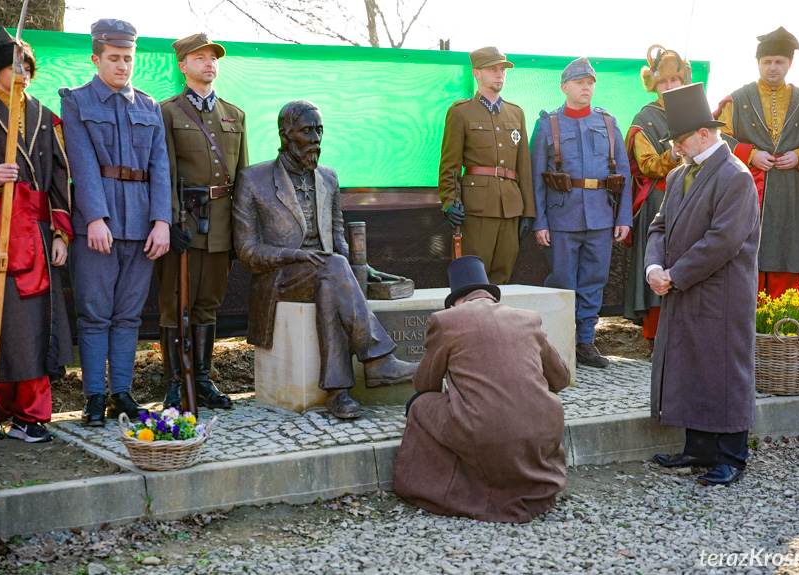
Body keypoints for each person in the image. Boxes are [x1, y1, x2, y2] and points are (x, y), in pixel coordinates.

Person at [232, 100, 417, 419]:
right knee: (331, 269)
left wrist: (361, 271)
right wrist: (295, 254)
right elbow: (247, 252)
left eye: (320, 130)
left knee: (332, 276)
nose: (316, 138)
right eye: (307, 131)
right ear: (285, 135)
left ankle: (339, 393)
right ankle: (376, 362)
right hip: (280, 276)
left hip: (326, 274)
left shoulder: (328, 178)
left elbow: (337, 237)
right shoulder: (254, 179)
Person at [392, 255, 570, 523]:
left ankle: (451, 483)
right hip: (543, 427)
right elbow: (561, 379)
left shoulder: (446, 320)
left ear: (454, 302)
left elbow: (424, 385)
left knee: (419, 405)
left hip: (484, 430)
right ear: (491, 296)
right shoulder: (528, 318)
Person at [646, 83, 760, 486]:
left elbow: (723, 241)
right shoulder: (680, 176)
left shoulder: (735, 177)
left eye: (679, 140)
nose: (676, 148)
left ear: (704, 134)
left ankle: (731, 457)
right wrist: (654, 268)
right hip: (685, 288)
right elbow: (659, 226)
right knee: (692, 364)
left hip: (721, 294)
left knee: (725, 371)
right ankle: (698, 449)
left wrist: (674, 275)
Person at [61, 19, 171, 427]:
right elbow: (83, 165)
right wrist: (95, 218)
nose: (123, 66)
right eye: (114, 58)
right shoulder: (75, 102)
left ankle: (122, 393)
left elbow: (160, 165)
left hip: (142, 226)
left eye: (128, 58)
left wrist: (161, 220)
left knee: (128, 315)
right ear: (96, 58)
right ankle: (93, 397)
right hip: (99, 227)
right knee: (93, 314)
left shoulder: (149, 105)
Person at [0, 28, 74, 442]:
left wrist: (61, 233)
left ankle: (30, 416)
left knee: (36, 323)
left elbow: (61, 178)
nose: (22, 71)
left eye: (27, 64)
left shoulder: (43, 115)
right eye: (14, 63)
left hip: (37, 236)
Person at [156, 33, 247, 411]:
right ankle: (177, 383)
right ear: (183, 65)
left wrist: (243, 230)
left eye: (213, 58)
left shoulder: (234, 114)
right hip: (185, 222)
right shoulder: (167, 112)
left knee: (208, 303)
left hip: (222, 225)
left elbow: (242, 178)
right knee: (175, 303)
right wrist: (168, 220)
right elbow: (162, 171)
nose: (209, 63)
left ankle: (204, 381)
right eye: (199, 57)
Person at [530, 57, 632, 368]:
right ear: (564, 87)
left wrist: (623, 218)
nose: (585, 87)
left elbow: (624, 175)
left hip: (601, 215)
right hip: (562, 216)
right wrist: (539, 222)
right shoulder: (548, 125)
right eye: (579, 83)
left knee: (595, 279)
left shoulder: (608, 123)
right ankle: (558, 343)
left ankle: (585, 341)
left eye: (590, 83)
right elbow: (536, 177)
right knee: (562, 280)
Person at [714, 27, 799, 298]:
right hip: (747, 190)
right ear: (758, 63)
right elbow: (718, 138)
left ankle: (783, 328)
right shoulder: (737, 99)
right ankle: (745, 328)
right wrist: (749, 154)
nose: (773, 68)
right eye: (767, 62)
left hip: (790, 194)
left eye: (779, 62)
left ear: (790, 64)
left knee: (787, 254)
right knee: (746, 255)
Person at [437, 46, 534, 285]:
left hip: (511, 209)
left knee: (503, 277)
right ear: (477, 73)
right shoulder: (461, 112)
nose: (499, 74)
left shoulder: (516, 113)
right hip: (476, 209)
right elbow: (450, 164)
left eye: (502, 69)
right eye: (492, 69)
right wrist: (449, 202)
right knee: (473, 278)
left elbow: (524, 166)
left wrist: (529, 211)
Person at [622, 47, 689, 357]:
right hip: (659, 200)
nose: (670, 86)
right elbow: (647, 165)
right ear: (654, 84)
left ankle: (688, 336)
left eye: (675, 79)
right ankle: (656, 338)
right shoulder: (644, 118)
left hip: (693, 198)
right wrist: (673, 154)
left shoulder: (696, 109)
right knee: (659, 263)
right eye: (663, 81)